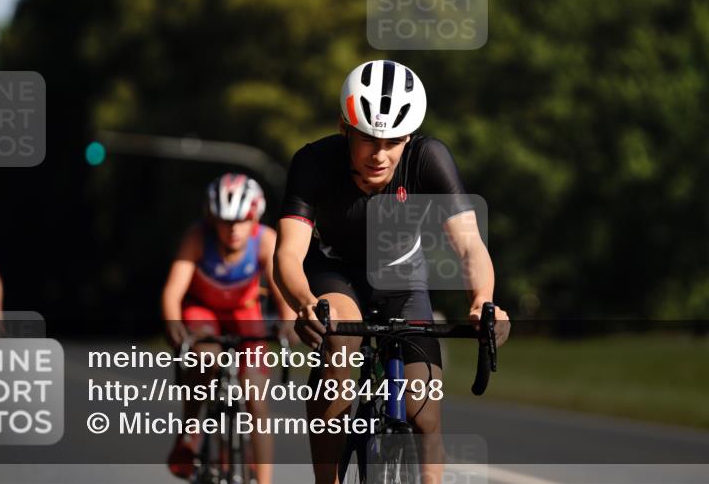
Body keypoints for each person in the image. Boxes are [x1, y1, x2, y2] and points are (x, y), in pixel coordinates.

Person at [273, 60, 511, 484]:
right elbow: (288, 255)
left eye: (393, 140)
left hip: (403, 277)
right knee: (339, 342)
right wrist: (307, 304)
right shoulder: (313, 162)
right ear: (345, 128)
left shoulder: (428, 158)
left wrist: (482, 301)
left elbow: (470, 243)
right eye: (367, 138)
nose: (380, 154)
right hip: (335, 274)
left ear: (410, 136)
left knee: (424, 412)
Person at [162, 173, 296, 483]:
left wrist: (287, 325)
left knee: (257, 402)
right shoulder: (197, 237)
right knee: (205, 358)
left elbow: (282, 289)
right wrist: (173, 326)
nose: (233, 228)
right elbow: (173, 291)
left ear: (256, 217)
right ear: (212, 218)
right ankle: (190, 433)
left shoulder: (265, 239)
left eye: (242, 220)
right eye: (224, 220)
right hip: (203, 310)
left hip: (243, 310)